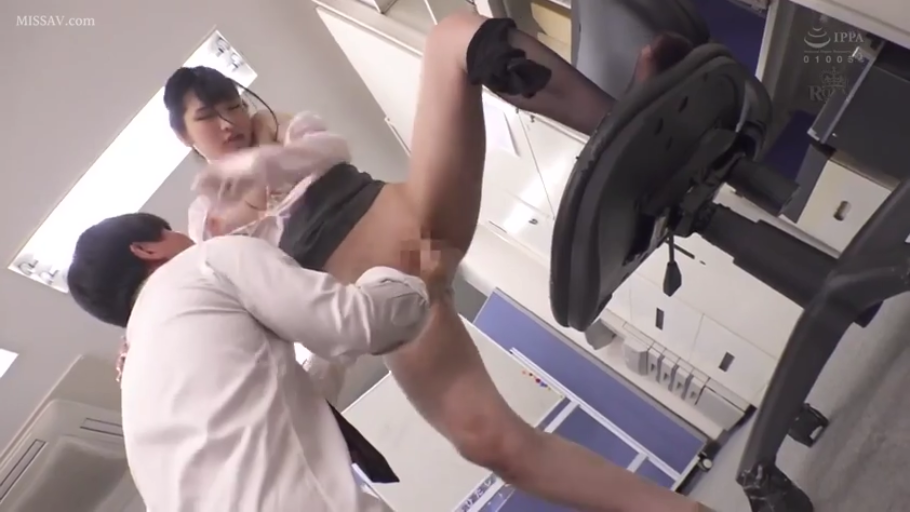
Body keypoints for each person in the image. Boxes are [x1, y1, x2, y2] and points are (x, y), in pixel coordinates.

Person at [117, 11, 713, 512]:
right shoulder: (206, 225)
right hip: (398, 299)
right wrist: (140, 342)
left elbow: (328, 150)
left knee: (453, 37)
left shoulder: (280, 130)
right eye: (208, 118)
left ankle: (632, 119)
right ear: (184, 136)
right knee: (490, 445)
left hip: (418, 222)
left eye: (232, 105)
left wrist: (260, 163)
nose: (229, 124)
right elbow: (243, 314)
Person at [67, 212, 454, 510]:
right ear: (146, 249)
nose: (188, 237)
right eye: (173, 231)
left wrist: (333, 356)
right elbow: (357, 323)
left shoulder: (134, 371)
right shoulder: (205, 261)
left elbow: (276, 409)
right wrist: (408, 277)